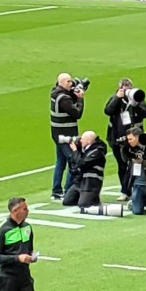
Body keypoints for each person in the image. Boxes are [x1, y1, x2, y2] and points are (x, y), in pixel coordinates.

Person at [103, 79, 146, 195]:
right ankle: (125, 190)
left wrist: (135, 103)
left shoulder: (137, 97)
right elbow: (108, 111)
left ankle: (137, 189)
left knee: (136, 164)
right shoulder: (116, 98)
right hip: (117, 138)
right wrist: (117, 98)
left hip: (135, 139)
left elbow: (145, 113)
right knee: (122, 165)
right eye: (124, 89)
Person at [49, 73, 85, 201]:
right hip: (66, 135)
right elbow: (77, 113)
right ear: (62, 83)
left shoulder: (55, 92)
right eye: (68, 82)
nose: (71, 83)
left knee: (60, 162)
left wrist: (74, 91)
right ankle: (68, 190)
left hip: (57, 134)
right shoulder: (64, 99)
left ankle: (56, 191)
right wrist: (80, 99)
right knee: (73, 161)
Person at [63, 130, 107, 209]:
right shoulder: (83, 150)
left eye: (82, 139)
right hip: (80, 181)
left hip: (91, 183)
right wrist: (76, 152)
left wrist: (75, 151)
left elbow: (82, 164)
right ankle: (83, 196)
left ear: (89, 140)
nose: (80, 141)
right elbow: (73, 165)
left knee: (84, 204)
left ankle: (94, 199)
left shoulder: (97, 152)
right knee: (67, 201)